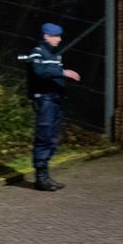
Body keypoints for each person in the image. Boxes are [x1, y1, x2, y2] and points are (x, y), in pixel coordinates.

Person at [27, 22, 81, 191]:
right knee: (44, 136)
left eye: (59, 35)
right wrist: (63, 72)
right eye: (56, 36)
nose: (59, 39)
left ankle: (46, 177)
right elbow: (40, 72)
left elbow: (53, 76)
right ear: (46, 36)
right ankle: (40, 178)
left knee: (51, 138)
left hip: (55, 100)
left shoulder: (55, 56)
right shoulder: (37, 52)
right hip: (45, 100)